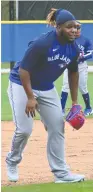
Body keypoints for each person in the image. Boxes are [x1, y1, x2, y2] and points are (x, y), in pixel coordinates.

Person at [6, 8, 85, 183]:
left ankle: (61, 173)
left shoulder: (73, 48)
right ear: (58, 27)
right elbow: (23, 70)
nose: (74, 30)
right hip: (21, 84)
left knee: (57, 126)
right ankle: (12, 161)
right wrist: (30, 97)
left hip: (46, 87)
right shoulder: (42, 43)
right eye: (69, 26)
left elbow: (73, 73)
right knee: (24, 129)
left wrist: (74, 102)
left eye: (76, 26)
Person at [61, 22, 93, 116]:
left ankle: (88, 108)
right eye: (75, 28)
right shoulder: (68, 39)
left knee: (82, 87)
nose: (77, 30)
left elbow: (91, 53)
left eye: (78, 28)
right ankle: (61, 109)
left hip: (81, 66)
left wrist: (82, 57)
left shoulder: (86, 40)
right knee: (65, 86)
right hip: (69, 65)